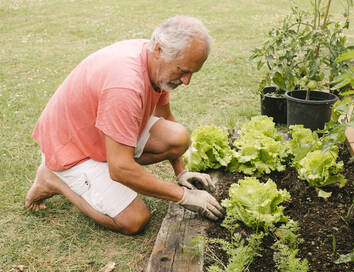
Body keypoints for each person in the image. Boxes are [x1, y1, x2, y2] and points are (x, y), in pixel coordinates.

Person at [25, 16, 224, 235]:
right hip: (72, 149)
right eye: (183, 71)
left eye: (192, 73)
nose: (187, 81)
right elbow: (119, 169)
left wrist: (181, 173)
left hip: (99, 134)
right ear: (159, 49)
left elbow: (164, 115)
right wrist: (184, 196)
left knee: (178, 138)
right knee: (134, 220)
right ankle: (53, 179)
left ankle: (101, 171)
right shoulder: (125, 85)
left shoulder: (156, 63)